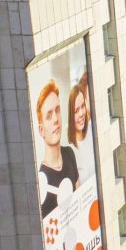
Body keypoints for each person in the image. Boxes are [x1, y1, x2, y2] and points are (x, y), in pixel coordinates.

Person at [36, 79, 78, 218]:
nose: (55, 119)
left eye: (57, 111)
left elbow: (80, 198)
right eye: (48, 116)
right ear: (41, 130)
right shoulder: (41, 180)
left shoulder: (69, 153)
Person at [67, 75, 91, 148]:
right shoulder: (71, 149)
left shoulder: (90, 130)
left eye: (83, 106)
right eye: (76, 111)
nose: (81, 114)